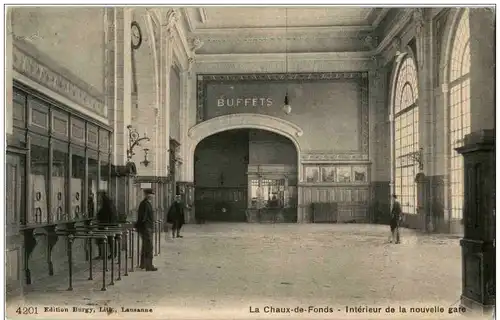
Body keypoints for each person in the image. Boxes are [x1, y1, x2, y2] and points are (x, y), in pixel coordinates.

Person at [136, 188, 157, 271]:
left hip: (146, 228)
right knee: (149, 247)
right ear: (147, 195)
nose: (152, 196)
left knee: (145, 247)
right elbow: (143, 218)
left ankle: (143, 264)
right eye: (151, 194)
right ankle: (149, 266)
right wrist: (146, 228)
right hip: (146, 228)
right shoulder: (145, 204)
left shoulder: (146, 203)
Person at [95, 191, 117, 259]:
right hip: (110, 224)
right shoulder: (109, 202)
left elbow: (103, 213)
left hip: (106, 224)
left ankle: (103, 255)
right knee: (110, 240)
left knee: (104, 239)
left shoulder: (105, 203)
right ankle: (112, 254)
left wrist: (98, 216)